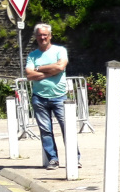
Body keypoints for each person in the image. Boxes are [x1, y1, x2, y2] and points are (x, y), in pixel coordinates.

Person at [25, 23, 80, 170]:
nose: (42, 37)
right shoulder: (32, 55)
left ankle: (75, 158)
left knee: (67, 128)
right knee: (45, 131)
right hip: (39, 97)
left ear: (50, 36)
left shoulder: (60, 51)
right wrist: (50, 71)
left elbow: (61, 67)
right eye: (40, 35)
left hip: (59, 96)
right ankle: (53, 160)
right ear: (36, 36)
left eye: (45, 35)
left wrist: (38, 69)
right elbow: (29, 75)